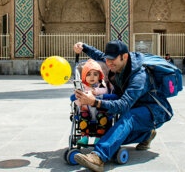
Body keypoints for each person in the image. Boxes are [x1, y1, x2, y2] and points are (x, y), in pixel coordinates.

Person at [73, 40, 173, 172]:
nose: (108, 63)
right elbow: (99, 55)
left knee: (128, 118)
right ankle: (146, 134)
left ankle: (98, 157)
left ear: (124, 57)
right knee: (116, 138)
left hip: (154, 111)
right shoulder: (115, 62)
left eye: (112, 60)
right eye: (108, 60)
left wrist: (94, 102)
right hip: (135, 107)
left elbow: (123, 105)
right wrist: (84, 47)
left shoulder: (139, 76)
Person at [75, 59, 111, 146]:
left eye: (95, 74)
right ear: (84, 77)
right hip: (86, 111)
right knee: (83, 117)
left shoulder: (101, 85)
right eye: (89, 74)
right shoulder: (83, 87)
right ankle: (84, 137)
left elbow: (105, 91)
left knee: (102, 118)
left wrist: (96, 91)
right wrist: (78, 95)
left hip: (100, 111)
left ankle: (99, 137)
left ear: (99, 76)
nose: (92, 77)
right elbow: (77, 102)